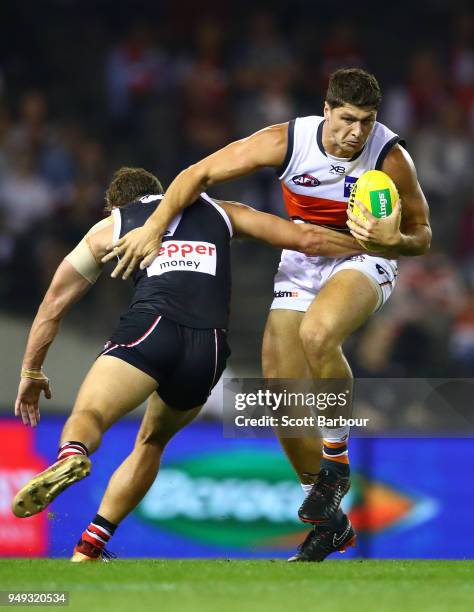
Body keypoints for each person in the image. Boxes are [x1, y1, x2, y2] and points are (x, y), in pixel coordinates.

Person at [104, 69, 432, 561]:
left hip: (365, 257)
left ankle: (336, 459)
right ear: (327, 110)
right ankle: (328, 521)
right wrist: (153, 228)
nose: (356, 133)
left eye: (366, 121)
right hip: (302, 261)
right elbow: (197, 175)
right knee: (279, 400)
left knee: (318, 333)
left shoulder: (390, 156)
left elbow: (423, 234)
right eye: (347, 119)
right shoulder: (287, 140)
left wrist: (396, 242)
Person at [12, 166, 365, 562]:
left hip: (152, 330)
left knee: (91, 412)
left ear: (115, 204)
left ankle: (72, 454)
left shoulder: (112, 225)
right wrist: (376, 246)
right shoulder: (220, 210)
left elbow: (52, 306)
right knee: (152, 442)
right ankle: (90, 546)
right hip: (208, 352)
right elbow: (306, 238)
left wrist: (31, 371)